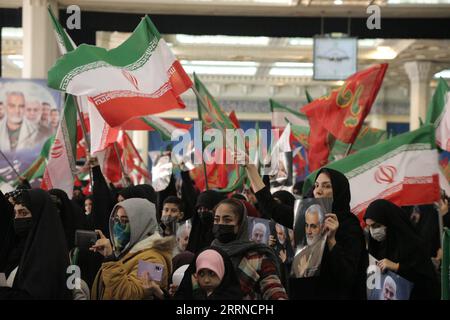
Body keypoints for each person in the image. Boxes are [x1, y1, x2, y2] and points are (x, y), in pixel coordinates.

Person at [289, 167, 368, 300]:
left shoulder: (350, 227)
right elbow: (274, 209)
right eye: (316, 186)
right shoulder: (306, 216)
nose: (318, 191)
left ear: (338, 192)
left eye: (326, 186)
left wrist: (331, 240)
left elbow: (347, 277)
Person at [90, 198, 175, 300]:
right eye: (116, 219)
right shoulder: (127, 249)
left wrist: (110, 258)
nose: (117, 226)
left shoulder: (154, 261)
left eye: (125, 221)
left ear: (141, 224)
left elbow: (130, 295)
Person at [211, 198, 288, 300]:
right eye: (216, 219)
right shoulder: (210, 253)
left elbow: (273, 288)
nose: (220, 224)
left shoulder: (257, 257)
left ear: (240, 224)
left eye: (227, 220)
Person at [0, 189, 71, 299]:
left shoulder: (49, 256)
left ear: (39, 216)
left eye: (23, 213)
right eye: (15, 213)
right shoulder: (20, 250)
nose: (17, 218)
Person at [364, 199, 440, 300]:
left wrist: (397, 267)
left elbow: (426, 280)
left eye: (376, 226)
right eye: (369, 227)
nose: (373, 231)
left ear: (389, 221)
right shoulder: (377, 245)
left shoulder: (412, 244)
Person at [174, 247, 242, 300]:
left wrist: (197, 291)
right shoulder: (187, 293)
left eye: (212, 273)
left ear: (223, 273)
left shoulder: (232, 296)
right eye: (201, 274)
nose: (206, 280)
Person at [185, 190, 226, 255]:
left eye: (206, 208)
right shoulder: (195, 231)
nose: (202, 212)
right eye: (200, 209)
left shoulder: (223, 233)